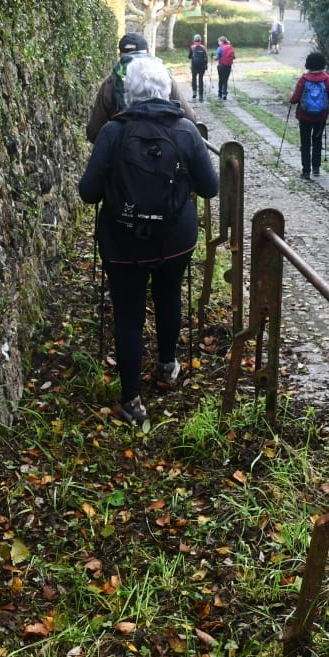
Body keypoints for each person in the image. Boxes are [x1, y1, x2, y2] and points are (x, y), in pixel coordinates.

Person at [78, 56, 219, 426]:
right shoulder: (186, 130)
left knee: (128, 314)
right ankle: (167, 366)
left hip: (122, 241)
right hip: (175, 239)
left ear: (128, 91)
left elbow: (88, 193)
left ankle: (131, 400)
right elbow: (210, 187)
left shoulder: (112, 132)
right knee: (169, 295)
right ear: (166, 89)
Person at [87, 32, 195, 141]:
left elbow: (93, 132)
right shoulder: (165, 78)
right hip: (166, 144)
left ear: (120, 55)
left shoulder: (110, 84)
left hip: (125, 146)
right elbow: (190, 118)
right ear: (148, 51)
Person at [287, 51, 329, 180]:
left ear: (308, 63)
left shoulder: (304, 79)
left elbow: (294, 99)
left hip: (304, 116)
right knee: (317, 141)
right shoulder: (327, 79)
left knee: (305, 143)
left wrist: (291, 96)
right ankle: (316, 168)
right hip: (321, 117)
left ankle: (305, 171)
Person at [188, 33, 209, 100]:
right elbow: (206, 58)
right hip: (202, 67)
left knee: (194, 79)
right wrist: (206, 65)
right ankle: (201, 96)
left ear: (194, 40)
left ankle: (194, 93)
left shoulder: (192, 47)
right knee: (201, 80)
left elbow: (189, 57)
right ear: (200, 40)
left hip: (194, 66)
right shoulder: (203, 47)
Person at [214, 36, 235, 100]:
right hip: (228, 66)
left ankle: (220, 93)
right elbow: (234, 57)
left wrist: (213, 57)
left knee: (221, 80)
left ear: (222, 41)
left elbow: (216, 58)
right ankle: (225, 94)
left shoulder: (220, 48)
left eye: (219, 41)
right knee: (225, 80)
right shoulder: (230, 47)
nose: (218, 42)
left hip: (221, 66)